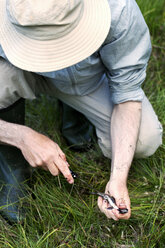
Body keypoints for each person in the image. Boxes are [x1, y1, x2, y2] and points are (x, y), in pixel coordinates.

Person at [0, 0, 163, 224]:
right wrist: (21, 137)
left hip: (90, 80)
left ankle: (73, 107)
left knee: (144, 140)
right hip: (22, 72)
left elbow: (127, 98)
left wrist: (118, 178)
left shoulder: (119, 10)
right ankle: (13, 167)